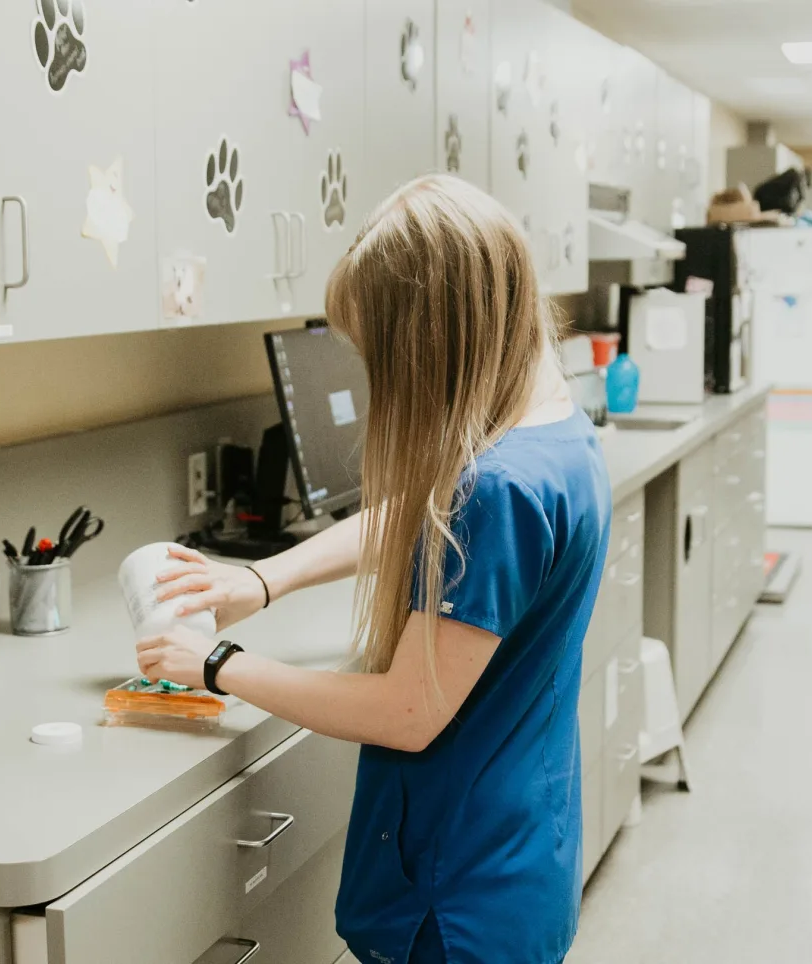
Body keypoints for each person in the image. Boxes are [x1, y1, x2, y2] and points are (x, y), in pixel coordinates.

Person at [133, 174, 609, 964]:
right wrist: (261, 579)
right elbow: (427, 507)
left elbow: (407, 712)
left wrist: (216, 664)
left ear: (431, 343)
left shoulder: (501, 488)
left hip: (458, 899)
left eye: (375, 355)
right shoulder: (554, 427)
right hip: (520, 857)